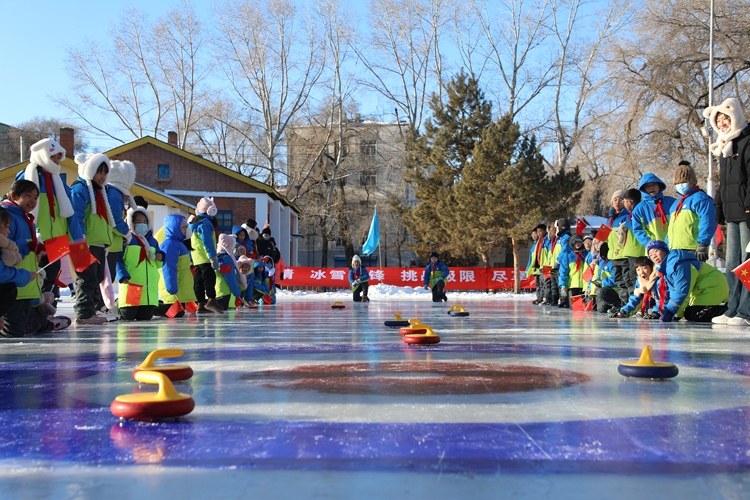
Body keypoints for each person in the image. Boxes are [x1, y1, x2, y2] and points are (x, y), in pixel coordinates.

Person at [0, 181, 69, 336]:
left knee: (23, 319)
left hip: (25, 281)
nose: (32, 200)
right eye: (28, 196)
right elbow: (7, 245)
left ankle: (39, 323)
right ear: (14, 196)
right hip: (13, 282)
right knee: (14, 327)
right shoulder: (7, 215)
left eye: (36, 197)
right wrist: (29, 246)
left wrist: (37, 249)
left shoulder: (25, 217)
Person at [17, 138, 83, 299]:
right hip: (35, 236)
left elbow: (69, 212)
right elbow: (16, 206)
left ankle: (46, 311)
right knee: (35, 274)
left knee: (52, 274)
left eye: (57, 157)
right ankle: (32, 311)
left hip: (57, 237)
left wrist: (77, 237)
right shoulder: (26, 177)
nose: (55, 161)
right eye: (52, 156)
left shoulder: (58, 182)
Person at [704, 98, 750, 326]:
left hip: (747, 213)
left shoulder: (747, 141)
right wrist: (719, 208)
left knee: (747, 264)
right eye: (718, 120)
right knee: (732, 263)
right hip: (733, 215)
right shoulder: (724, 146)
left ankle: (746, 310)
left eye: (726, 119)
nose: (722, 123)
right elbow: (724, 184)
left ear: (736, 117)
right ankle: (732, 308)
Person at [70, 153, 117, 325]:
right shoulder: (81, 189)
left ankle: (91, 311)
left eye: (105, 172)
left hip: (97, 243)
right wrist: (80, 238)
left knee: (96, 278)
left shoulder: (101, 192)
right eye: (99, 172)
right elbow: (77, 215)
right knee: (86, 278)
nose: (103, 176)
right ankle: (83, 313)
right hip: (85, 243)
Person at [645, 240, 728, 323]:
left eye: (656, 251)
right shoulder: (667, 268)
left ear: (664, 251)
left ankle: (728, 310)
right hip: (701, 289)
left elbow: (682, 291)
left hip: (713, 285)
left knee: (699, 315)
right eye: (650, 255)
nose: (654, 256)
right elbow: (671, 293)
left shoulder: (678, 264)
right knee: (688, 314)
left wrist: (670, 312)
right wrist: (670, 313)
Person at [115, 207, 163, 321]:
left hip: (148, 290)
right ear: (131, 223)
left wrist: (161, 257)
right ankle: (113, 307)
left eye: (145, 222)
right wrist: (122, 275)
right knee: (128, 315)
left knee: (146, 317)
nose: (142, 224)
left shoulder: (153, 241)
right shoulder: (126, 240)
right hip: (132, 284)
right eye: (138, 222)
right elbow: (117, 259)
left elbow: (157, 264)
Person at [666, 162, 716, 258]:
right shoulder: (675, 204)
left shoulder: (700, 198)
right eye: (677, 183)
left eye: (683, 182)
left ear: (692, 181)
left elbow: (707, 220)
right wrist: (667, 245)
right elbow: (671, 228)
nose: (680, 185)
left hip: (693, 248)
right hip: (674, 249)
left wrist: (703, 243)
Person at [155, 214, 196, 318]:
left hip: (180, 286)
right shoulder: (170, 245)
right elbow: (168, 267)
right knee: (177, 312)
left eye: (186, 227)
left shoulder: (178, 244)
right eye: (183, 227)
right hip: (174, 286)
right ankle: (147, 309)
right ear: (174, 227)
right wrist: (171, 287)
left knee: (180, 311)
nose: (185, 230)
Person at [189, 197, 223, 314]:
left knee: (198, 281)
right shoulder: (205, 223)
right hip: (205, 257)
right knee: (209, 279)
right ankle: (211, 300)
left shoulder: (193, 223)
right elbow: (207, 241)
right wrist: (212, 256)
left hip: (196, 257)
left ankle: (200, 304)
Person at [632, 173, 675, 249]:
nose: (651, 187)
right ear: (643, 189)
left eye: (654, 184)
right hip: (655, 250)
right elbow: (638, 230)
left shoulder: (671, 202)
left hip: (675, 245)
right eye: (647, 186)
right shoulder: (639, 209)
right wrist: (651, 244)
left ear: (659, 186)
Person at [606, 190, 632, 310]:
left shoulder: (627, 216)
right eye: (615, 199)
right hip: (614, 255)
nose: (618, 202)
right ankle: (624, 303)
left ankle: (632, 304)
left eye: (621, 199)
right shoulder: (609, 220)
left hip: (624, 254)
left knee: (628, 279)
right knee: (619, 280)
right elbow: (603, 238)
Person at [214, 233, 245, 310]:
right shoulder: (226, 259)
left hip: (215, 290)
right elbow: (230, 278)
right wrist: (237, 294)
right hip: (223, 292)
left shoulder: (216, 257)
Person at [558, 234, 589, 308]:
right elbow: (563, 272)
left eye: (579, 242)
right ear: (572, 244)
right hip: (572, 286)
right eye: (575, 242)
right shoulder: (568, 256)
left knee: (585, 308)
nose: (577, 244)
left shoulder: (587, 255)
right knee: (576, 308)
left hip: (584, 287)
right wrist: (563, 286)